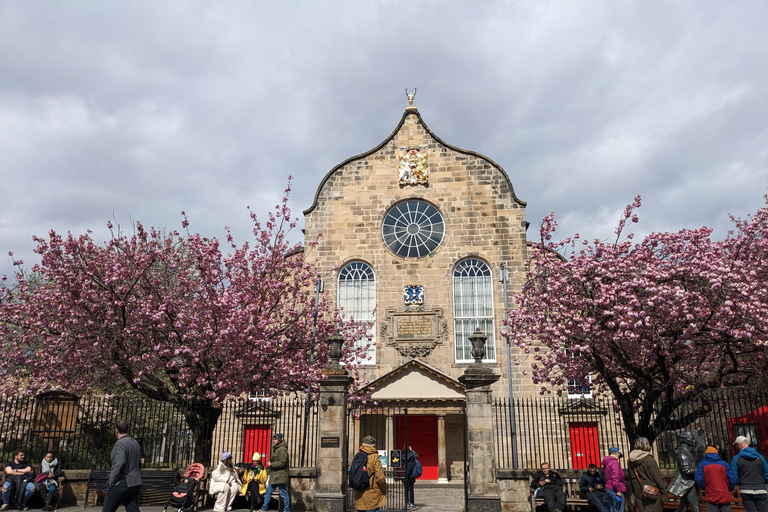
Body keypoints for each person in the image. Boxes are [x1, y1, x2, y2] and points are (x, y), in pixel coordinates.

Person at [102, 419, 143, 512]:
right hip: (135, 482)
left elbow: (119, 464)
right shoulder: (135, 443)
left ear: (116, 431)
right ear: (127, 430)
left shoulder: (120, 444)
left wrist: (111, 480)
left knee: (107, 510)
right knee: (133, 509)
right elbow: (138, 463)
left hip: (122, 482)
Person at [695, 444, 737, 512]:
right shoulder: (724, 464)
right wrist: (729, 488)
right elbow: (733, 479)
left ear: (706, 453)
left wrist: (704, 487)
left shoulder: (702, 464)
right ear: (716, 453)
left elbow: (698, 478)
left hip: (711, 493)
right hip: (724, 493)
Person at [730, 435, 768, 512]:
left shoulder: (736, 459)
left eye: (736, 445)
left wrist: (739, 483)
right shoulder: (760, 457)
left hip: (745, 489)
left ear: (739, 444)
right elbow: (766, 473)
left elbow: (734, 476)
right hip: (760, 488)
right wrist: (763, 482)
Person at [629, 437, 667, 512]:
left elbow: (632, 477)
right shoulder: (649, 460)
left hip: (638, 490)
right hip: (652, 491)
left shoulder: (630, 460)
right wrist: (664, 493)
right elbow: (657, 478)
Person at [668, 432, 703, 512]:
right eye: (690, 438)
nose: (692, 440)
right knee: (696, 507)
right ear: (684, 440)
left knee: (683, 507)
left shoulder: (686, 450)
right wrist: (700, 469)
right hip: (686, 483)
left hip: (687, 482)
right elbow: (686, 470)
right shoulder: (682, 452)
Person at [353, 435, 387, 512]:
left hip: (359, 491)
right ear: (373, 445)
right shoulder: (374, 457)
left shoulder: (357, 456)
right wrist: (384, 487)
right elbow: (380, 477)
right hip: (372, 492)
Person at [261, 433, 290, 512]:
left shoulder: (282, 449)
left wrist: (271, 464)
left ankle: (286, 510)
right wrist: (271, 460)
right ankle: (264, 508)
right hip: (275, 475)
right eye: (273, 439)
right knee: (268, 491)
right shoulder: (277, 448)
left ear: (279, 440)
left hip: (280, 475)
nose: (273, 441)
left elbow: (282, 462)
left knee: (283, 493)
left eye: (275, 439)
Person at [603, 447, 627, 512]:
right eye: (618, 455)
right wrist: (618, 490)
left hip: (608, 487)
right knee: (618, 509)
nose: (618, 457)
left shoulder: (606, 462)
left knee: (612, 508)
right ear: (616, 454)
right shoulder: (614, 463)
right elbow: (615, 477)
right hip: (615, 489)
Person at [404, 443, 418, 508]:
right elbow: (416, 455)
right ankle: (411, 503)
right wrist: (411, 450)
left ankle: (406, 502)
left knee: (406, 490)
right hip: (411, 474)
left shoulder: (402, 455)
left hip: (404, 473)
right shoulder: (412, 455)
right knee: (411, 489)